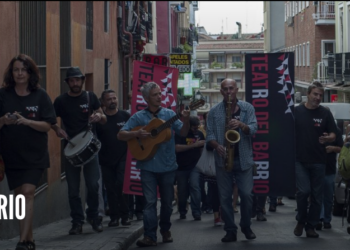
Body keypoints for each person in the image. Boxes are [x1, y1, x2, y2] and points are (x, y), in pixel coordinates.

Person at [118, 81, 190, 247]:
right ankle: (150, 235)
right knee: (150, 203)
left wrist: (185, 120)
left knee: (166, 203)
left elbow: (183, 132)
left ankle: (165, 230)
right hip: (147, 166)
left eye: (160, 93)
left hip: (167, 166)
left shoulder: (169, 114)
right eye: (155, 95)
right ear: (146, 99)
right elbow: (120, 135)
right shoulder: (138, 117)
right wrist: (136, 133)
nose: (159, 97)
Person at [0, 54, 57, 250]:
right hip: (11, 155)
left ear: (30, 72)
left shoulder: (40, 95)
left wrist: (27, 121)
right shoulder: (3, 95)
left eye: (23, 69)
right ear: (11, 73)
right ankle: (30, 240)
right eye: (16, 70)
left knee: (28, 192)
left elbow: (48, 125)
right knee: (20, 198)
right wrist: (3, 121)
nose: (19, 73)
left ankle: (22, 241)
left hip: (35, 155)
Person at [51, 66, 107, 235]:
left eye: (78, 80)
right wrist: (56, 129)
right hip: (71, 148)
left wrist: (99, 116)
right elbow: (51, 120)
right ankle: (77, 222)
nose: (75, 83)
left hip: (90, 148)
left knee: (92, 185)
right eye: (72, 80)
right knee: (73, 189)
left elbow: (103, 117)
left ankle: (93, 216)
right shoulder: (60, 100)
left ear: (82, 80)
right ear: (68, 82)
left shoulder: (90, 97)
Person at [206, 78, 257, 242]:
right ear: (221, 92)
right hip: (223, 161)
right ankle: (230, 230)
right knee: (225, 197)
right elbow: (210, 135)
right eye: (225, 89)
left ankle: (246, 226)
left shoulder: (247, 108)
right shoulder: (214, 111)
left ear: (237, 89)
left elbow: (254, 129)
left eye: (231, 89)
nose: (229, 92)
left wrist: (241, 125)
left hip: (244, 160)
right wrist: (216, 146)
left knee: (247, 195)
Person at [294, 81, 337, 238]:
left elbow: (334, 134)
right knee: (304, 191)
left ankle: (311, 226)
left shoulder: (325, 113)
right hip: (299, 159)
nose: (318, 97)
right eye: (315, 94)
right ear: (308, 94)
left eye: (320, 95)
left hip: (319, 160)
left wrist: (328, 138)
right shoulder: (296, 111)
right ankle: (300, 220)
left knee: (317, 196)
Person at [96, 89, 131, 227]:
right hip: (105, 159)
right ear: (103, 102)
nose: (112, 101)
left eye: (114, 98)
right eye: (109, 99)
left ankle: (125, 215)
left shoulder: (125, 116)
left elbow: (132, 133)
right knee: (109, 188)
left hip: (123, 157)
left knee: (121, 185)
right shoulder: (100, 119)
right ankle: (114, 217)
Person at [175, 115, 205, 220]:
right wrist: (194, 145)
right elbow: (177, 148)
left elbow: (201, 150)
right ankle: (182, 210)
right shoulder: (180, 133)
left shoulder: (200, 134)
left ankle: (196, 212)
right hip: (181, 167)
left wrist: (202, 163)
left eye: (197, 127)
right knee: (182, 191)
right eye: (194, 127)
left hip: (195, 166)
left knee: (195, 187)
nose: (196, 130)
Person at [315, 119, 342, 230]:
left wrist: (332, 148)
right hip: (316, 167)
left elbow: (341, 148)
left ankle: (327, 219)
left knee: (328, 196)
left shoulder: (336, 131)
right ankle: (319, 219)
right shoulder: (315, 129)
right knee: (317, 196)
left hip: (329, 169)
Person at [126, 89, 145, 221]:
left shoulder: (145, 115)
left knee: (140, 182)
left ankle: (140, 210)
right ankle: (129, 211)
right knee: (129, 182)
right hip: (128, 152)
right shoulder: (125, 114)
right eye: (130, 99)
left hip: (143, 150)